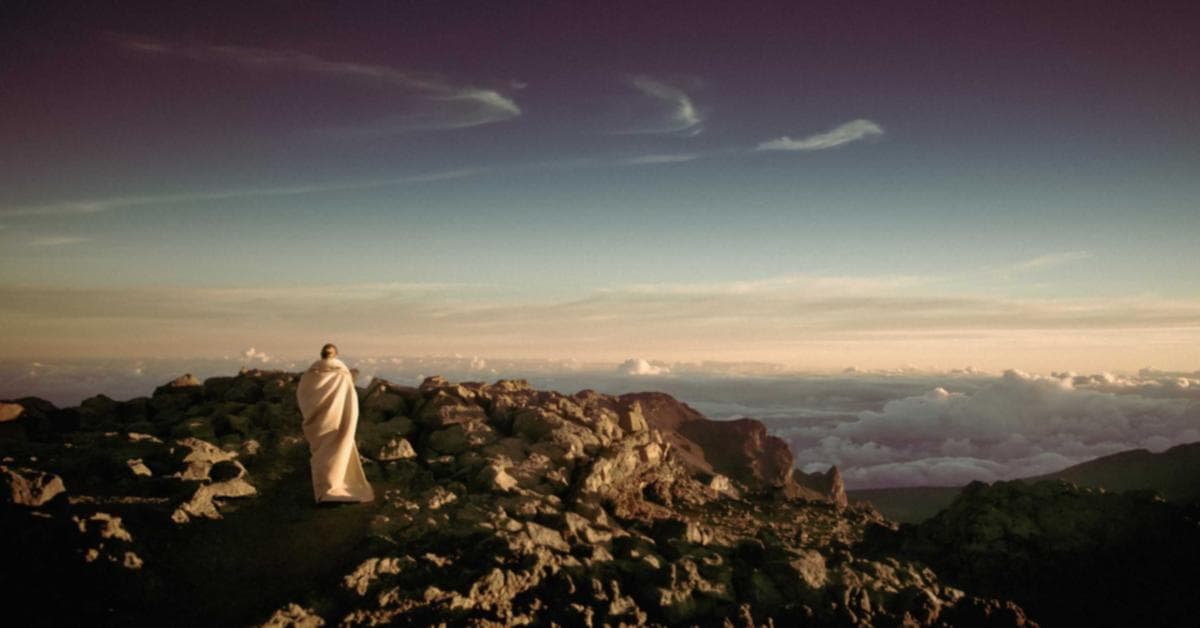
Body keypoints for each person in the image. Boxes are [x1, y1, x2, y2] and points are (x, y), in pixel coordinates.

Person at [295, 343, 374, 503]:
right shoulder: (341, 373)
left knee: (320, 453)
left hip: (316, 423)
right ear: (335, 355)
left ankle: (322, 490)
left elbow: (303, 396)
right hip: (335, 423)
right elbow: (346, 392)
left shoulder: (309, 375)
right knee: (335, 453)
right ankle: (332, 489)